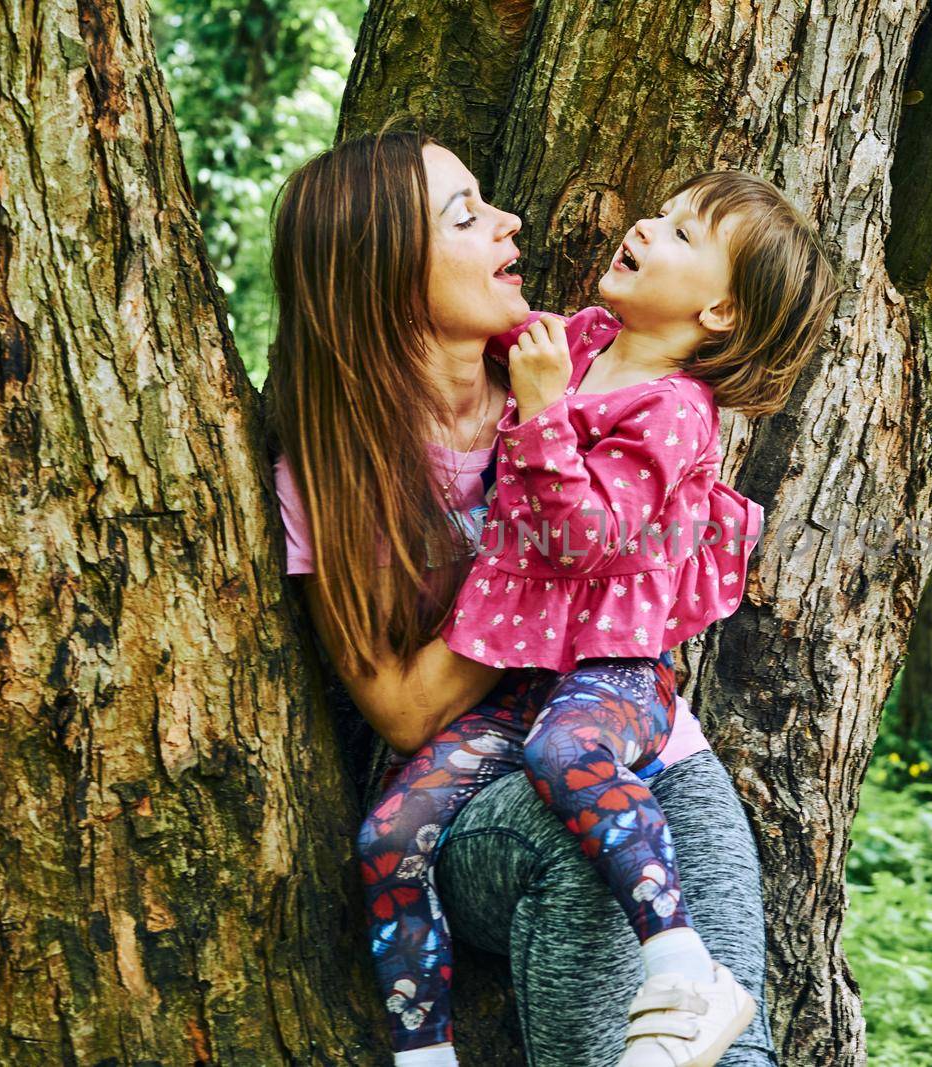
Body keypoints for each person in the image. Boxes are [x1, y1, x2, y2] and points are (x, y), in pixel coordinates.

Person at [262, 126, 782, 1066]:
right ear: (383, 270)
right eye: (466, 215)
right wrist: (543, 590)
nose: (510, 223)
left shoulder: (565, 380)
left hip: (655, 754)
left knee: (726, 1047)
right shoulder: (339, 471)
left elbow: (644, 512)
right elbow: (407, 706)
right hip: (496, 791)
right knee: (567, 846)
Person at [413, 171, 837, 1067]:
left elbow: (580, 534)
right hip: (543, 725)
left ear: (720, 310)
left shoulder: (678, 409)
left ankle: (684, 967)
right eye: (665, 214)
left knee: (724, 1042)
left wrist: (539, 406)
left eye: (683, 234)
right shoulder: (594, 338)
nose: (648, 225)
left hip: (622, 712)